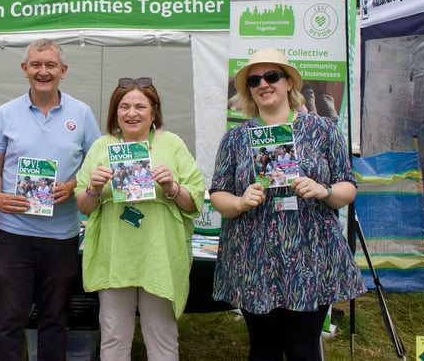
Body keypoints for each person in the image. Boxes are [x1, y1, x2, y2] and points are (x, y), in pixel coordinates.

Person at [209, 48, 366, 360]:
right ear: (248, 90)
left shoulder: (322, 130)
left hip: (310, 257)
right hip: (254, 260)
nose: (263, 84)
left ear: (289, 82)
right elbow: (218, 196)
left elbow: (348, 188)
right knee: (264, 350)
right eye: (255, 80)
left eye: (272, 76)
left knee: (303, 349)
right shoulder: (235, 139)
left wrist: (323, 190)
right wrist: (240, 201)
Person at [0, 39, 100, 360]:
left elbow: (97, 164)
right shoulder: (6, 114)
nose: (43, 71)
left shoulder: (82, 114)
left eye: (50, 65)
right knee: (9, 319)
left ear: (63, 71)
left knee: (55, 319)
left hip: (61, 237)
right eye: (36, 65)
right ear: (24, 69)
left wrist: (73, 185)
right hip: (13, 234)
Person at [75, 77, 205, 359]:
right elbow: (83, 206)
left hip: (158, 256)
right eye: (124, 106)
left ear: (154, 111)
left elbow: (194, 201)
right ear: (115, 112)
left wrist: (172, 187)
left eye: (139, 106)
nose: (131, 113)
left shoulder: (171, 144)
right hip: (114, 257)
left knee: (162, 338)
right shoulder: (101, 146)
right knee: (113, 337)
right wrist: (93, 188)